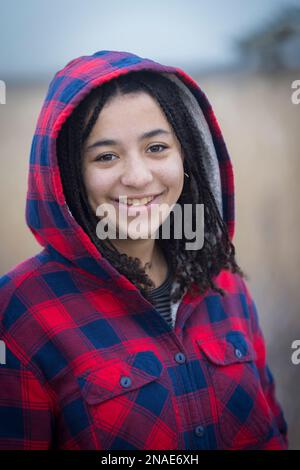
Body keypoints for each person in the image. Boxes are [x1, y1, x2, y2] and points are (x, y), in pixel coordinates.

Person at [0, 50, 288, 450]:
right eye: (106, 156)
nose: (138, 177)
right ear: (67, 172)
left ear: (186, 155)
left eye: (156, 148)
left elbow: (272, 430)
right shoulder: (19, 311)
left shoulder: (224, 285)